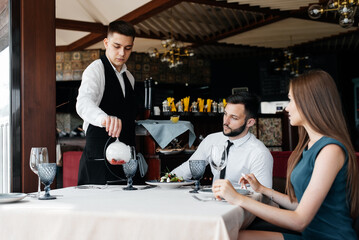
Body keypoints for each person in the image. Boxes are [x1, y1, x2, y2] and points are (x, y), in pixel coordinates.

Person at [213, 70, 359, 240]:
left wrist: (238, 198)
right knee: (231, 235)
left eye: (291, 100)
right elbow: (301, 205)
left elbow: (300, 220)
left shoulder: (330, 151)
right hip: (309, 235)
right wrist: (262, 189)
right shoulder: (310, 145)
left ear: (309, 103)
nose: (287, 107)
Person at [76, 20, 137, 185]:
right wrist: (104, 119)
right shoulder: (96, 70)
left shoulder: (129, 78)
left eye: (127, 48)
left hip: (125, 163)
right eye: (117, 46)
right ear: (106, 43)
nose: (122, 53)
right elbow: (83, 103)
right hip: (99, 163)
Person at [172, 92, 273, 188]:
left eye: (234, 117)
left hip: (240, 204)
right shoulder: (212, 140)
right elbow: (186, 170)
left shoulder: (259, 153)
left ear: (250, 122)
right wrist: (165, 181)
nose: (226, 121)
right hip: (212, 202)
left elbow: (264, 196)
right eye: (225, 114)